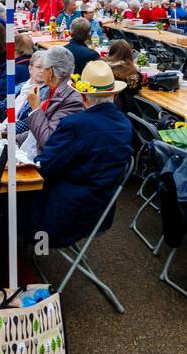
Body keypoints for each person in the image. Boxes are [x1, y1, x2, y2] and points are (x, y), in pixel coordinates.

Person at [27, 61, 134, 248]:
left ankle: (38, 251)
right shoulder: (125, 124)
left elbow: (44, 166)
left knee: (8, 200)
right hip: (100, 211)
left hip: (64, 215)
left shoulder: (76, 125)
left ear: (83, 96)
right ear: (115, 96)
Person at [26, 46, 84, 154]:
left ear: (51, 72)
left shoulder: (72, 100)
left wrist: (35, 108)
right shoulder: (54, 89)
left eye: (42, 67)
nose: (41, 71)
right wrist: (10, 136)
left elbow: (49, 140)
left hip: (47, 164)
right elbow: (36, 131)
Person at [104, 40, 143, 114]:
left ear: (112, 51)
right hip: (127, 109)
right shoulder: (133, 71)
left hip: (104, 104)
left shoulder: (103, 66)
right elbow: (138, 87)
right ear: (129, 54)